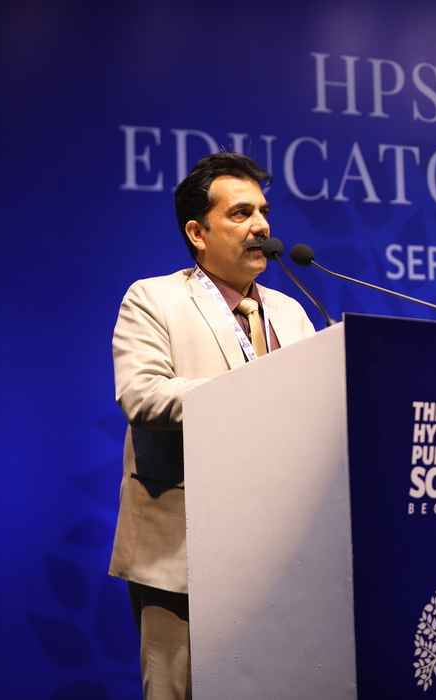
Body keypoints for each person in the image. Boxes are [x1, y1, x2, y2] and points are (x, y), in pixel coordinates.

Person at [108, 152, 317, 699]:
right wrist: (253, 393)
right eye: (241, 213)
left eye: (264, 212)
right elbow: (142, 395)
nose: (261, 226)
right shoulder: (154, 299)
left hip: (282, 554)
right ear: (198, 233)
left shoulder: (291, 312)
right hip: (182, 554)